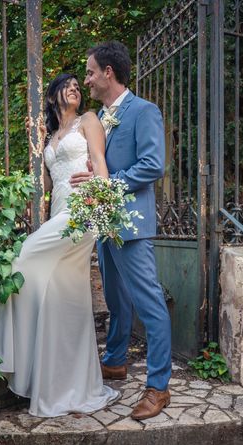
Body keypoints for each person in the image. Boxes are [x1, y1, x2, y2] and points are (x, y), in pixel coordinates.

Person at [0, 73, 119, 417]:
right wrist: (38, 145)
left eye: (79, 85)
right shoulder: (49, 135)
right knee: (64, 296)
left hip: (84, 208)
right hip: (59, 211)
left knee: (25, 256)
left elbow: (100, 162)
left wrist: (100, 194)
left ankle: (14, 357)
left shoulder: (89, 120)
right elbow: (44, 184)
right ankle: (67, 386)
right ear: (52, 96)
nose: (76, 88)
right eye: (68, 85)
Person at [70, 40, 172, 420]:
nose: (87, 79)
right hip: (105, 224)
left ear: (108, 73)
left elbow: (152, 165)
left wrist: (106, 184)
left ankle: (159, 386)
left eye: (91, 72)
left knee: (149, 305)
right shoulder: (100, 116)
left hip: (132, 225)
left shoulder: (144, 111)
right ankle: (114, 361)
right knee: (116, 299)